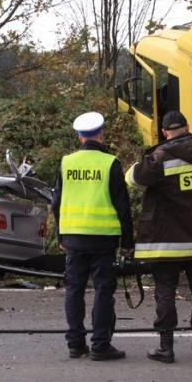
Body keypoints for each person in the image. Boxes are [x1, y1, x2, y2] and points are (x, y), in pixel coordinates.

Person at [125, 111, 192, 363]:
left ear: (164, 132)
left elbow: (133, 178)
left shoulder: (161, 157)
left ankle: (166, 347)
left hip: (169, 240)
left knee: (165, 290)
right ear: (188, 126)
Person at [52, 111, 134, 361]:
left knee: (74, 290)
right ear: (101, 134)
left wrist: (61, 235)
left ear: (79, 137)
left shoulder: (66, 163)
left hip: (73, 238)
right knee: (103, 291)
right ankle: (100, 344)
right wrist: (128, 243)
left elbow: (56, 202)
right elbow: (123, 206)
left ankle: (76, 343)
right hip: (103, 239)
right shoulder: (110, 163)